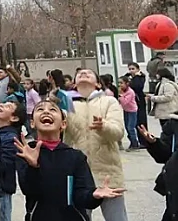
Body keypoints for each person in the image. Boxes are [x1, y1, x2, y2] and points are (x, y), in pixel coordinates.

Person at [14, 99, 124, 220]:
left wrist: (94, 195)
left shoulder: (76, 157)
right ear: (32, 123)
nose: (46, 112)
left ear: (63, 124)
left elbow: (82, 196)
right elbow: (29, 190)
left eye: (52, 110)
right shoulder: (27, 152)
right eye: (40, 109)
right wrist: (33, 167)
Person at [63, 69, 127, 221]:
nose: (84, 73)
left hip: (108, 172)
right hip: (79, 173)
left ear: (98, 83)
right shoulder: (67, 104)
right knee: (80, 217)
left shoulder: (109, 101)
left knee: (117, 218)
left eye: (89, 73)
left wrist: (103, 126)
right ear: (74, 83)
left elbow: (118, 132)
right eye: (79, 74)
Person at [0, 99, 24, 221]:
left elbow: (3, 164)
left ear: (14, 118)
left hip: (0, 190)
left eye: (8, 106)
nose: (1, 105)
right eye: (2, 104)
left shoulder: (11, 138)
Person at [116, 77, 140, 150]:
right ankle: (132, 142)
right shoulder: (123, 91)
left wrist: (120, 95)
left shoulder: (130, 92)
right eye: (119, 83)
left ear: (127, 83)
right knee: (127, 127)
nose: (120, 85)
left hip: (132, 111)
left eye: (121, 83)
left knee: (131, 127)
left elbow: (125, 102)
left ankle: (135, 144)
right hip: (126, 110)